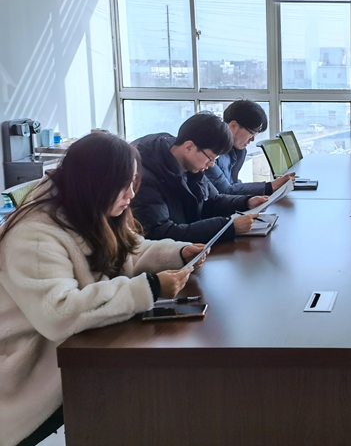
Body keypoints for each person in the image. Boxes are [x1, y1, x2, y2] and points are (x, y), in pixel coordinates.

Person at [0, 133, 207, 446]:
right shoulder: (34, 235)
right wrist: (150, 287)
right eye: (122, 185)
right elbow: (58, 313)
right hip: (30, 370)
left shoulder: (91, 208)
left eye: (133, 183)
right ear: (93, 183)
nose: (130, 195)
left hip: (75, 351)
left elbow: (132, 250)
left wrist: (178, 252)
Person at [132, 113, 269, 243]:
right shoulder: (145, 177)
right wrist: (228, 227)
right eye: (210, 158)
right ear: (189, 147)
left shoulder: (193, 167)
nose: (212, 164)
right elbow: (162, 233)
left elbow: (213, 201)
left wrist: (246, 203)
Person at [205, 100, 294, 196]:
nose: (252, 139)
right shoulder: (210, 153)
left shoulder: (238, 151)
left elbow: (234, 184)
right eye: (251, 133)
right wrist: (269, 187)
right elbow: (226, 190)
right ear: (233, 126)